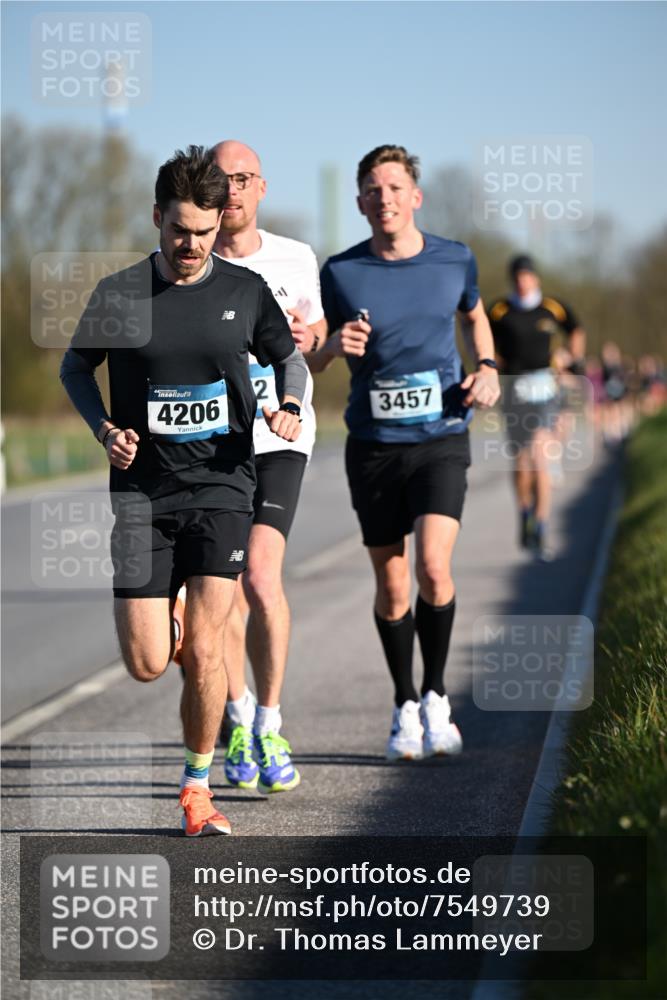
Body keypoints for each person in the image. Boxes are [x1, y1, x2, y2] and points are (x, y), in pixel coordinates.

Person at [60, 146, 307, 836]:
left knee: (206, 650)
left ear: (217, 223)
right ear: (156, 219)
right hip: (142, 495)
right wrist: (104, 428)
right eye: (178, 231)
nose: (191, 245)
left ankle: (197, 789)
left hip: (223, 487)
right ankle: (171, 622)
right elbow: (76, 369)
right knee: (146, 663)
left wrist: (288, 403)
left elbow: (289, 358)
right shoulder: (119, 294)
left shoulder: (243, 291)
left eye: (202, 231)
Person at [308, 144, 500, 761]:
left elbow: (474, 316)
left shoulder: (454, 258)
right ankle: (404, 704)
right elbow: (312, 357)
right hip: (373, 447)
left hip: (441, 435)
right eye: (372, 189)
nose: (383, 197)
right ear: (360, 202)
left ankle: (437, 695)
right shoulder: (340, 272)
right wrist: (331, 345)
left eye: (394, 187)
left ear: (415, 197)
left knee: (434, 569)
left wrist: (487, 366)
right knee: (392, 586)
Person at [210, 139, 326, 793]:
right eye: (220, 179)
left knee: (259, 574)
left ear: (261, 188)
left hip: (281, 433)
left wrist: (309, 339)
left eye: (243, 178)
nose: (231, 190)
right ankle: (236, 715)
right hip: (216, 443)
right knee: (220, 588)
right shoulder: (189, 261)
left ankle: (270, 722)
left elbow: (314, 336)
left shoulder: (295, 256)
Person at [488, 255, 586, 558]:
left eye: (527, 275)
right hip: (514, 390)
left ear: (536, 278)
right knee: (522, 460)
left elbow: (576, 330)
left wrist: (571, 358)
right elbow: (479, 335)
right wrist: (490, 364)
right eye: (518, 276)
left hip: (545, 388)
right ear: (512, 279)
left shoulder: (552, 307)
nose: (523, 281)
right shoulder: (499, 310)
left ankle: (541, 525)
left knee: (541, 456)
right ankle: (524, 512)